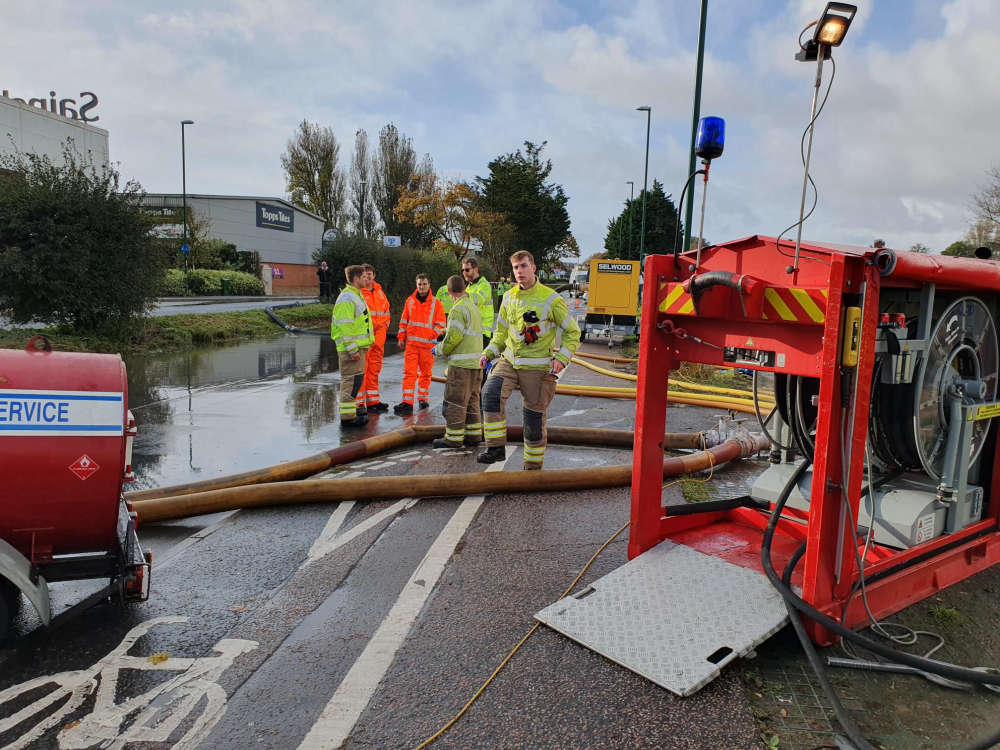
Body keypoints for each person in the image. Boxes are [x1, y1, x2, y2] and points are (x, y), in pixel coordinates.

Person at [478, 250, 581, 469]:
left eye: (524, 266)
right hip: (509, 361)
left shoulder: (551, 299)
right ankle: (495, 448)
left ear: (533, 268)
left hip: (537, 367)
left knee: (533, 418)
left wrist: (562, 358)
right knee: (490, 393)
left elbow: (573, 332)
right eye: (516, 268)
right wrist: (488, 352)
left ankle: (532, 467)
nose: (519, 271)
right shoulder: (508, 297)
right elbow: (501, 333)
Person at [431, 275, 483, 450]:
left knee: (455, 402)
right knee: (472, 401)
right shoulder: (473, 308)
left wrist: (439, 349)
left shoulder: (457, 309)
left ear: (449, 292)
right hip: (476, 365)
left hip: (460, 366)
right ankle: (474, 435)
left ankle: (453, 439)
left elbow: (454, 337)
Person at [394, 274, 446, 414]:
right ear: (416, 285)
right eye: (419, 284)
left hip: (427, 346)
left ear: (429, 285)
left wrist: (431, 334)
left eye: (424, 284)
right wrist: (401, 337)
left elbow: (441, 324)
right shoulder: (410, 301)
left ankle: (423, 399)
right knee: (409, 373)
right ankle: (407, 402)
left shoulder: (436, 303)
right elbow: (404, 320)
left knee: (425, 374)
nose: (421, 287)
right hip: (411, 345)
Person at [330, 265, 374, 428]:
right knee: (350, 382)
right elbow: (345, 326)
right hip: (351, 350)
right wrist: (352, 349)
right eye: (363, 277)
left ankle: (351, 412)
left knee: (355, 381)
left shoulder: (355, 295)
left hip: (356, 348)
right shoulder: (348, 298)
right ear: (355, 278)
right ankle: (348, 418)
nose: (366, 279)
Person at [359, 263, 390, 413]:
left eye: (370, 273)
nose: (368, 276)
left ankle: (373, 402)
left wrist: (384, 328)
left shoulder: (379, 292)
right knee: (362, 370)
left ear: (374, 275)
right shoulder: (358, 293)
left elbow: (386, 311)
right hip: (365, 337)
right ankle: (359, 404)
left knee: (374, 370)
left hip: (378, 338)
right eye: (365, 274)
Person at [461, 257, 494, 349]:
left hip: (482, 332)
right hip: (471, 331)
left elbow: (477, 300)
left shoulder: (484, 285)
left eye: (467, 270)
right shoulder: (468, 287)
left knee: (478, 362)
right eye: (462, 270)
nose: (464, 272)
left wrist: (461, 293)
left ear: (475, 269)